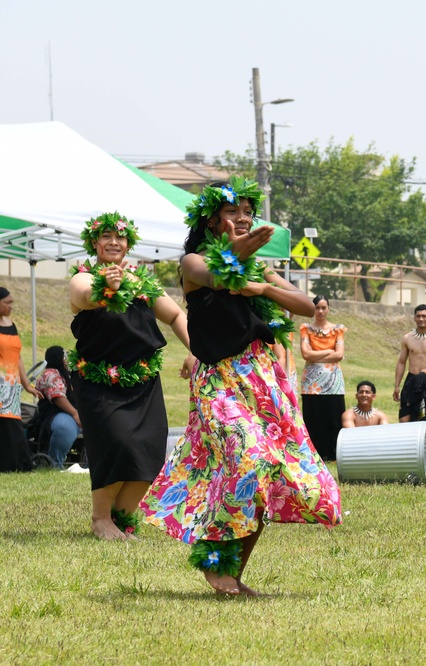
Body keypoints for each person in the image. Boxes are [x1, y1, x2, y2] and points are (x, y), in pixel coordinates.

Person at [141, 177, 341, 596]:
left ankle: (229, 571)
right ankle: (216, 561)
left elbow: (308, 306)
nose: (244, 218)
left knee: (273, 472)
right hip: (219, 380)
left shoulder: (259, 267)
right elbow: (217, 275)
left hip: (264, 378)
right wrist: (239, 252)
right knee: (249, 460)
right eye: (233, 212)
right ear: (212, 220)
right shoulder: (193, 263)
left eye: (248, 211)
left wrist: (265, 285)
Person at [68, 213, 195, 539]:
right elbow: (84, 297)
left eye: (120, 237)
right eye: (106, 237)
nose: (114, 242)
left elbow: (176, 315)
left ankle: (121, 520)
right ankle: (100, 519)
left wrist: (197, 350)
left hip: (142, 381)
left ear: (127, 244)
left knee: (149, 447)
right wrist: (106, 288)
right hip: (99, 380)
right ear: (95, 243)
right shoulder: (83, 277)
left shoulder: (142, 283)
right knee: (117, 443)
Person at [0, 287, 42, 473]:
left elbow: (17, 358)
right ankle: (19, 465)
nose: (11, 306)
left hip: (11, 385)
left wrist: (27, 385)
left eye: (11, 302)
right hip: (1, 382)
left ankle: (16, 465)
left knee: (12, 423)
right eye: (7, 302)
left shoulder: (11, 324)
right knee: (8, 425)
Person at [299, 295, 346, 462]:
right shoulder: (305, 328)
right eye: (317, 307)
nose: (320, 311)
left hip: (334, 379)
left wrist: (315, 355)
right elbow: (306, 354)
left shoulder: (338, 329)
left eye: (323, 307)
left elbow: (339, 355)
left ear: (328, 309)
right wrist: (329, 352)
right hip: (311, 381)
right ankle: (314, 452)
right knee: (313, 416)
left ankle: (334, 453)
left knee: (333, 416)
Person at [393, 304, 426, 423]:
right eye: (418, 316)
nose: (421, 319)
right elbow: (401, 362)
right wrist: (397, 386)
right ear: (414, 318)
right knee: (404, 419)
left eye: (424, 316)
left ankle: (424, 442)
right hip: (411, 380)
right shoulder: (407, 338)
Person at [34, 345, 83, 468]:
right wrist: (75, 413)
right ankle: (55, 463)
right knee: (64, 428)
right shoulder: (50, 373)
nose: (66, 360)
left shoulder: (69, 374)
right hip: (56, 413)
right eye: (64, 357)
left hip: (76, 414)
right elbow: (57, 396)